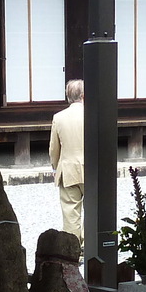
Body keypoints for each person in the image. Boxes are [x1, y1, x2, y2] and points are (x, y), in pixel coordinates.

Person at [48, 79, 86, 240]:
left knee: (70, 212)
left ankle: (73, 247)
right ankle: (90, 245)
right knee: (94, 210)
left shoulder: (59, 117)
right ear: (84, 96)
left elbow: (53, 149)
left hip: (68, 169)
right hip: (92, 169)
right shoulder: (93, 115)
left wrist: (55, 168)